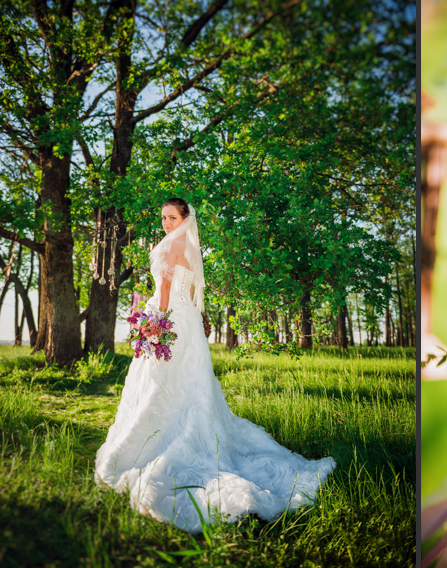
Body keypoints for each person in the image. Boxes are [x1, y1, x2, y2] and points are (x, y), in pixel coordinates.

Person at [95, 198, 336, 533]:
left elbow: (163, 290)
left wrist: (155, 325)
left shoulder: (167, 249)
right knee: (188, 386)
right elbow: (193, 293)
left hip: (169, 321)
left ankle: (154, 441)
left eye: (172, 217)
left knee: (159, 384)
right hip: (189, 324)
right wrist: (193, 321)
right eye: (164, 217)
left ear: (184, 218)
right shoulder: (193, 250)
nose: (166, 223)